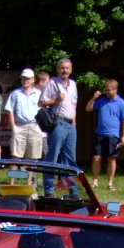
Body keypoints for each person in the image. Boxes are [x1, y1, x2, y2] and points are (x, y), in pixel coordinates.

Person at [39, 58, 78, 196]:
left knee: (69, 159)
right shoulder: (52, 83)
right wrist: (56, 100)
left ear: (71, 69)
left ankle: (69, 190)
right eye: (62, 68)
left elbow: (73, 105)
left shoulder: (73, 84)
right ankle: (49, 191)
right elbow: (41, 102)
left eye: (67, 68)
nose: (64, 70)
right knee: (53, 157)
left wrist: (74, 121)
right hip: (58, 123)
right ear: (58, 69)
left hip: (70, 124)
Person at [85, 79, 124, 191]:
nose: (107, 92)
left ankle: (110, 183)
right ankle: (95, 181)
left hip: (113, 135)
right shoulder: (101, 101)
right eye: (106, 90)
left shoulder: (121, 103)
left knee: (111, 159)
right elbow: (88, 109)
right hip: (100, 134)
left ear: (115, 90)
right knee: (96, 158)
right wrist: (94, 98)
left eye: (109, 90)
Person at [5, 68, 43, 183]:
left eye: (28, 78)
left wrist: (40, 127)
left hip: (34, 126)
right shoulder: (15, 93)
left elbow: (43, 111)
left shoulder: (39, 94)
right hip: (20, 126)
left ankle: (28, 183)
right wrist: (13, 127)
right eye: (23, 78)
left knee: (31, 158)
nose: (25, 80)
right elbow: (10, 109)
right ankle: (12, 183)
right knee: (15, 157)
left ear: (33, 80)